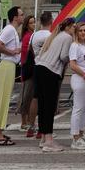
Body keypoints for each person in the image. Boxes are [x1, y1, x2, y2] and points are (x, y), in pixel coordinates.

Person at [34, 19, 73, 152]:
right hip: (50, 71)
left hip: (39, 68)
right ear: (68, 27)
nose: (74, 29)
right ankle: (49, 141)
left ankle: (44, 138)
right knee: (49, 107)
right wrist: (71, 58)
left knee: (43, 106)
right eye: (73, 27)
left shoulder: (54, 36)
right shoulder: (67, 37)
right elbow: (63, 56)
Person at [0, 6, 24, 145]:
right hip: (7, 66)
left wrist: (12, 51)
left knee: (1, 98)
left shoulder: (10, 30)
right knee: (2, 99)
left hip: (7, 66)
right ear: (15, 17)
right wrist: (12, 52)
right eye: (21, 14)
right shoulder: (10, 29)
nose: (23, 16)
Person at [25, 11, 56, 140]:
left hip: (37, 66)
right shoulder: (50, 36)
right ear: (51, 21)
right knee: (47, 100)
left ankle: (31, 126)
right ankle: (43, 129)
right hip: (48, 67)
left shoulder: (34, 35)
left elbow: (30, 51)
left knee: (36, 97)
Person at [69, 21, 85, 149]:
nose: (83, 32)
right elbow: (72, 65)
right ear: (76, 32)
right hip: (79, 79)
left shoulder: (82, 46)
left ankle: (81, 133)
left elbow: (83, 61)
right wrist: (84, 74)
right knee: (78, 108)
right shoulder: (74, 46)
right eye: (81, 30)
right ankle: (75, 138)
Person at [18, 14, 36, 130]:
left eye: (34, 22)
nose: (34, 24)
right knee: (27, 96)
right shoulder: (28, 37)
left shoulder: (30, 35)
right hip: (28, 69)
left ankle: (26, 121)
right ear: (26, 25)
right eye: (31, 23)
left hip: (27, 68)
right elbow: (25, 55)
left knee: (27, 96)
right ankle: (26, 122)